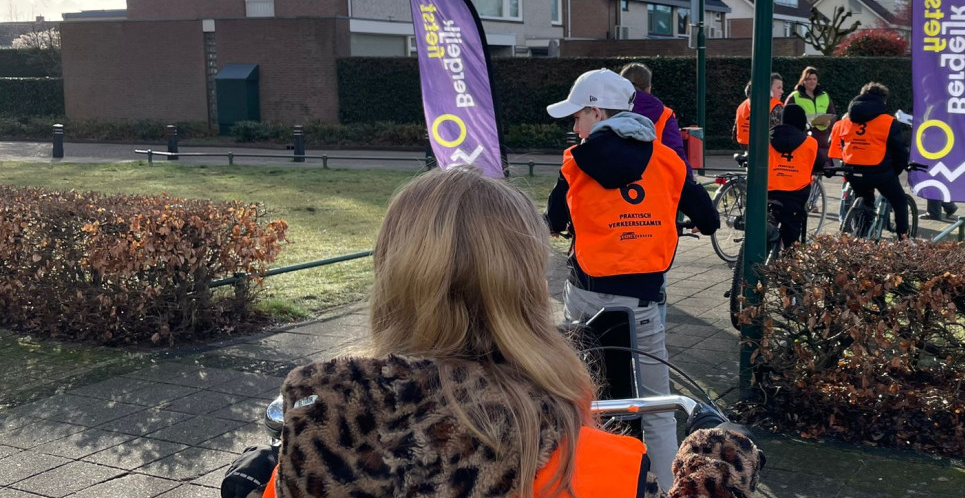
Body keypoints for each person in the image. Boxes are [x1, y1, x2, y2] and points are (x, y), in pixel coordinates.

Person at [255, 167, 759, 498]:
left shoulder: (306, 458)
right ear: (526, 286)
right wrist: (716, 474)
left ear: (390, 276)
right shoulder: (595, 469)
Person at [544, 69, 720, 488]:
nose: (574, 126)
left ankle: (594, 480)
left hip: (587, 296)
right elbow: (711, 221)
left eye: (577, 116)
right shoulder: (669, 161)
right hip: (644, 300)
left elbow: (554, 219)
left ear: (596, 111)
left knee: (585, 396)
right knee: (657, 404)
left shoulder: (575, 162)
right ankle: (665, 485)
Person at [829, 82, 912, 239]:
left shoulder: (846, 120)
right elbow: (899, 150)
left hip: (852, 170)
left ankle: (861, 233)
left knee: (866, 199)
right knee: (899, 201)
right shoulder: (888, 121)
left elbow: (842, 144)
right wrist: (898, 168)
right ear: (883, 100)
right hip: (879, 172)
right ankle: (903, 239)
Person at [619, 62, 692, 177]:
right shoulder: (665, 114)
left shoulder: (607, 111)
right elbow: (676, 154)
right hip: (655, 182)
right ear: (648, 88)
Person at [768, 104, 822, 249]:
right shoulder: (810, 143)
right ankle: (790, 257)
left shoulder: (767, 138)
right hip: (795, 192)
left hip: (768, 189)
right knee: (792, 233)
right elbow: (820, 164)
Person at [734, 73, 785, 147]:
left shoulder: (742, 106)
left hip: (746, 147)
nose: (782, 91)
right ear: (768, 90)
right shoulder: (776, 107)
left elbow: (735, 132)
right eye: (779, 88)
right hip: (768, 151)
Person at [784, 66, 835, 139]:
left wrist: (829, 123)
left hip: (822, 137)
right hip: (803, 135)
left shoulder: (825, 96)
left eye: (814, 79)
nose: (812, 82)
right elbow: (787, 117)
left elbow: (832, 115)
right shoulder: (794, 97)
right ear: (803, 81)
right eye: (809, 79)